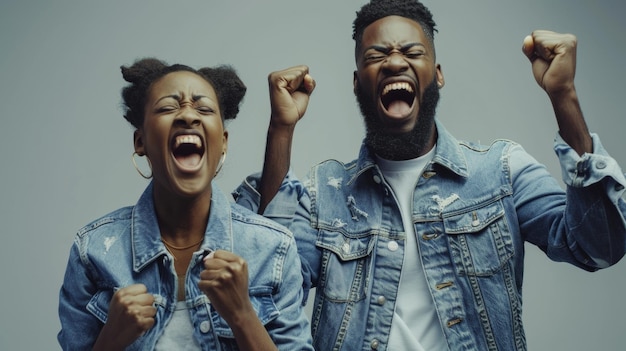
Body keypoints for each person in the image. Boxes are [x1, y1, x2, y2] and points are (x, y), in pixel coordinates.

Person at [233, 0, 626, 350]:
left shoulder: (501, 170)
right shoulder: (324, 192)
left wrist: (564, 96)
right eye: (376, 55)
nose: (394, 61)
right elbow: (267, 291)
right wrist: (280, 130)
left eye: (411, 51)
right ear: (357, 84)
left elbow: (598, 247)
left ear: (436, 74)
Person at [57, 58, 313, 350]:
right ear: (140, 142)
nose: (188, 116)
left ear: (224, 142)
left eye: (203, 108)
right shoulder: (92, 252)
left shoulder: (273, 249)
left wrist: (243, 315)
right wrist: (110, 341)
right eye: (168, 107)